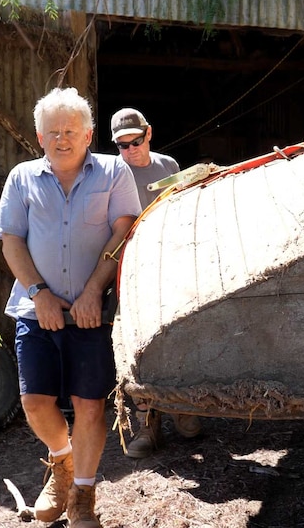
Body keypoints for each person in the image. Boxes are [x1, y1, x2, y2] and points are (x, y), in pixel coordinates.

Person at [0, 87, 141, 528]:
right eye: (53, 131)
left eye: (70, 130)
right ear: (39, 137)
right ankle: (63, 465)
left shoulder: (114, 172)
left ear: (88, 134)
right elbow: (12, 240)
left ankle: (83, 499)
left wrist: (95, 289)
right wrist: (39, 294)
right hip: (35, 309)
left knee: (90, 405)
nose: (62, 138)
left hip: (93, 312)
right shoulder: (22, 178)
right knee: (34, 402)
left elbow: (124, 229)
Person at [110, 107, 202, 458]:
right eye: (122, 145)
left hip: (167, 264)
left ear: (149, 133)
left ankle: (183, 408)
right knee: (136, 345)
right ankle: (146, 423)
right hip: (129, 268)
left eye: (135, 141)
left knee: (178, 333)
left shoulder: (169, 167)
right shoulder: (111, 174)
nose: (130, 150)